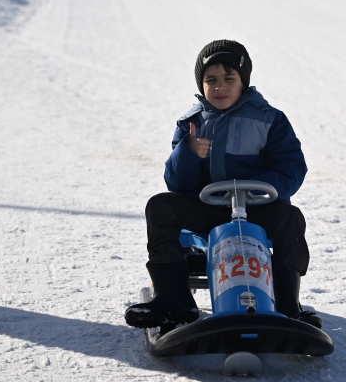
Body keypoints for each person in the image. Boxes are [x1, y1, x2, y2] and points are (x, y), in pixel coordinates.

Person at [124, 40, 321, 332]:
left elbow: (291, 166)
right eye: (211, 80)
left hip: (259, 208)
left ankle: (288, 306)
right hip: (210, 208)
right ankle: (173, 298)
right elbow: (177, 182)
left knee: (290, 219)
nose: (220, 87)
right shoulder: (191, 124)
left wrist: (263, 189)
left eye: (229, 79)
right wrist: (188, 152)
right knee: (161, 206)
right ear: (201, 84)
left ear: (244, 83)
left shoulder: (269, 119)